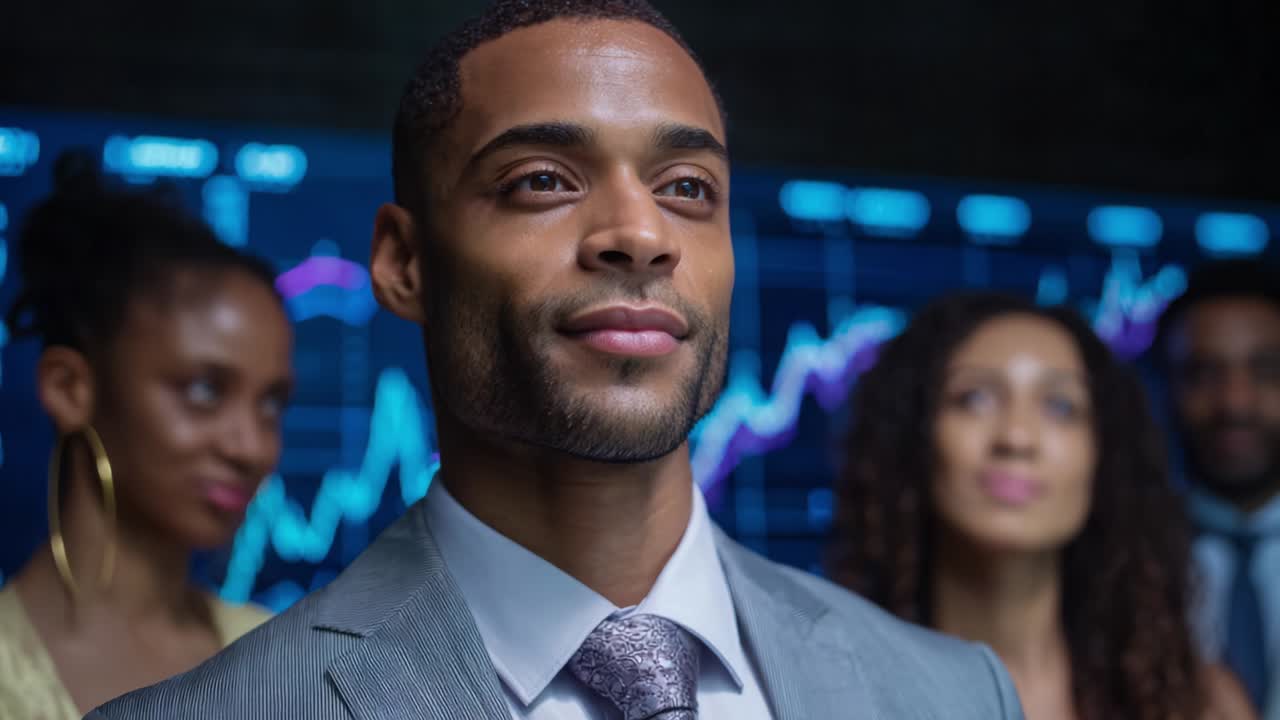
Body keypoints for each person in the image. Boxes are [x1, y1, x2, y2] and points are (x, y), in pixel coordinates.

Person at [87, 1, 1024, 718]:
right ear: (403, 263)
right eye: (543, 181)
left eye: (688, 188)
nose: (640, 234)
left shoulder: (956, 694)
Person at [828, 291, 1255, 720]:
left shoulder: (1202, 704)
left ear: (1103, 457)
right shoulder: (826, 693)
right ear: (913, 439)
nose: (1017, 438)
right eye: (974, 399)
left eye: (1059, 406)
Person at [0, 155, 293, 718]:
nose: (250, 447)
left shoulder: (284, 659)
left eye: (271, 404)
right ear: (69, 389)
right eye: (205, 391)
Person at [1156, 259, 1280, 717]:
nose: (1235, 401)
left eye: (1266, 371)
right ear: (1165, 388)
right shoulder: (1116, 557)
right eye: (1204, 374)